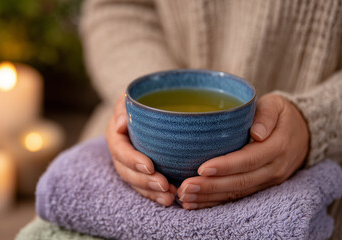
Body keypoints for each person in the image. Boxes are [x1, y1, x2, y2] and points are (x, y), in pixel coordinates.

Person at [79, 0, 342, 237]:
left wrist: (314, 121)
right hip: (125, 145)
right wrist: (144, 96)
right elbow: (116, 9)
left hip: (318, 162)